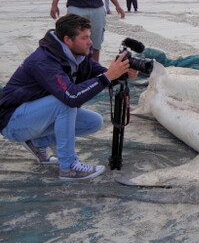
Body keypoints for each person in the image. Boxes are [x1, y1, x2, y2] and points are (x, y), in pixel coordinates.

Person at [0, 14, 136, 181]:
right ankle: (68, 167)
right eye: (84, 37)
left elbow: (101, 76)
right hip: (12, 122)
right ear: (67, 40)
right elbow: (72, 96)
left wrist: (122, 73)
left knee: (93, 122)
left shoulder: (78, 56)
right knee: (65, 102)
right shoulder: (43, 60)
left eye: (89, 36)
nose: (90, 42)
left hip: (34, 118)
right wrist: (108, 76)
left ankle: (37, 142)